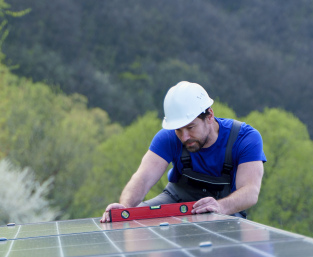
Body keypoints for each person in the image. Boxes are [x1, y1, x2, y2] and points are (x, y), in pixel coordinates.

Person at [100, 81, 266, 222]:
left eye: (190, 127)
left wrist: (220, 206)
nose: (184, 137)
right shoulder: (168, 137)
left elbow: (250, 191)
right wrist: (124, 209)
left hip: (224, 205)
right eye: (178, 130)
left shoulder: (245, 138)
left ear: (209, 116)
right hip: (175, 199)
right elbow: (143, 178)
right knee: (138, 220)